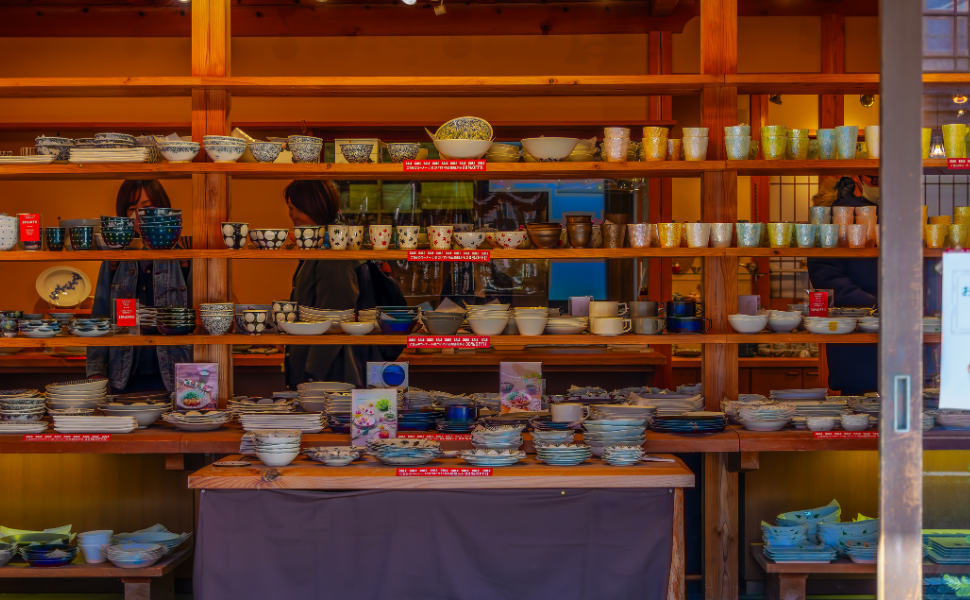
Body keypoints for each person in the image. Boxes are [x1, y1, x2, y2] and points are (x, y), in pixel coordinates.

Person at [284, 180, 405, 388]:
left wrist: (311, 376)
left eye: (294, 208)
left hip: (334, 376)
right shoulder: (323, 248)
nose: (292, 216)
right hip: (330, 373)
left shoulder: (333, 255)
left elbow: (335, 320)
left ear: (313, 206)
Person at [87, 181, 192, 392]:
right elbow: (99, 317)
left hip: (178, 374)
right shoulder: (114, 259)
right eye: (132, 209)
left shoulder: (185, 257)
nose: (139, 215)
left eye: (147, 207)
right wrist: (96, 370)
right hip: (123, 374)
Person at [806, 176, 878, 395]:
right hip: (854, 328)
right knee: (858, 412)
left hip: (903, 329)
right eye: (875, 179)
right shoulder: (834, 215)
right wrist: (880, 305)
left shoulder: (903, 209)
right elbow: (827, 277)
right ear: (858, 179)